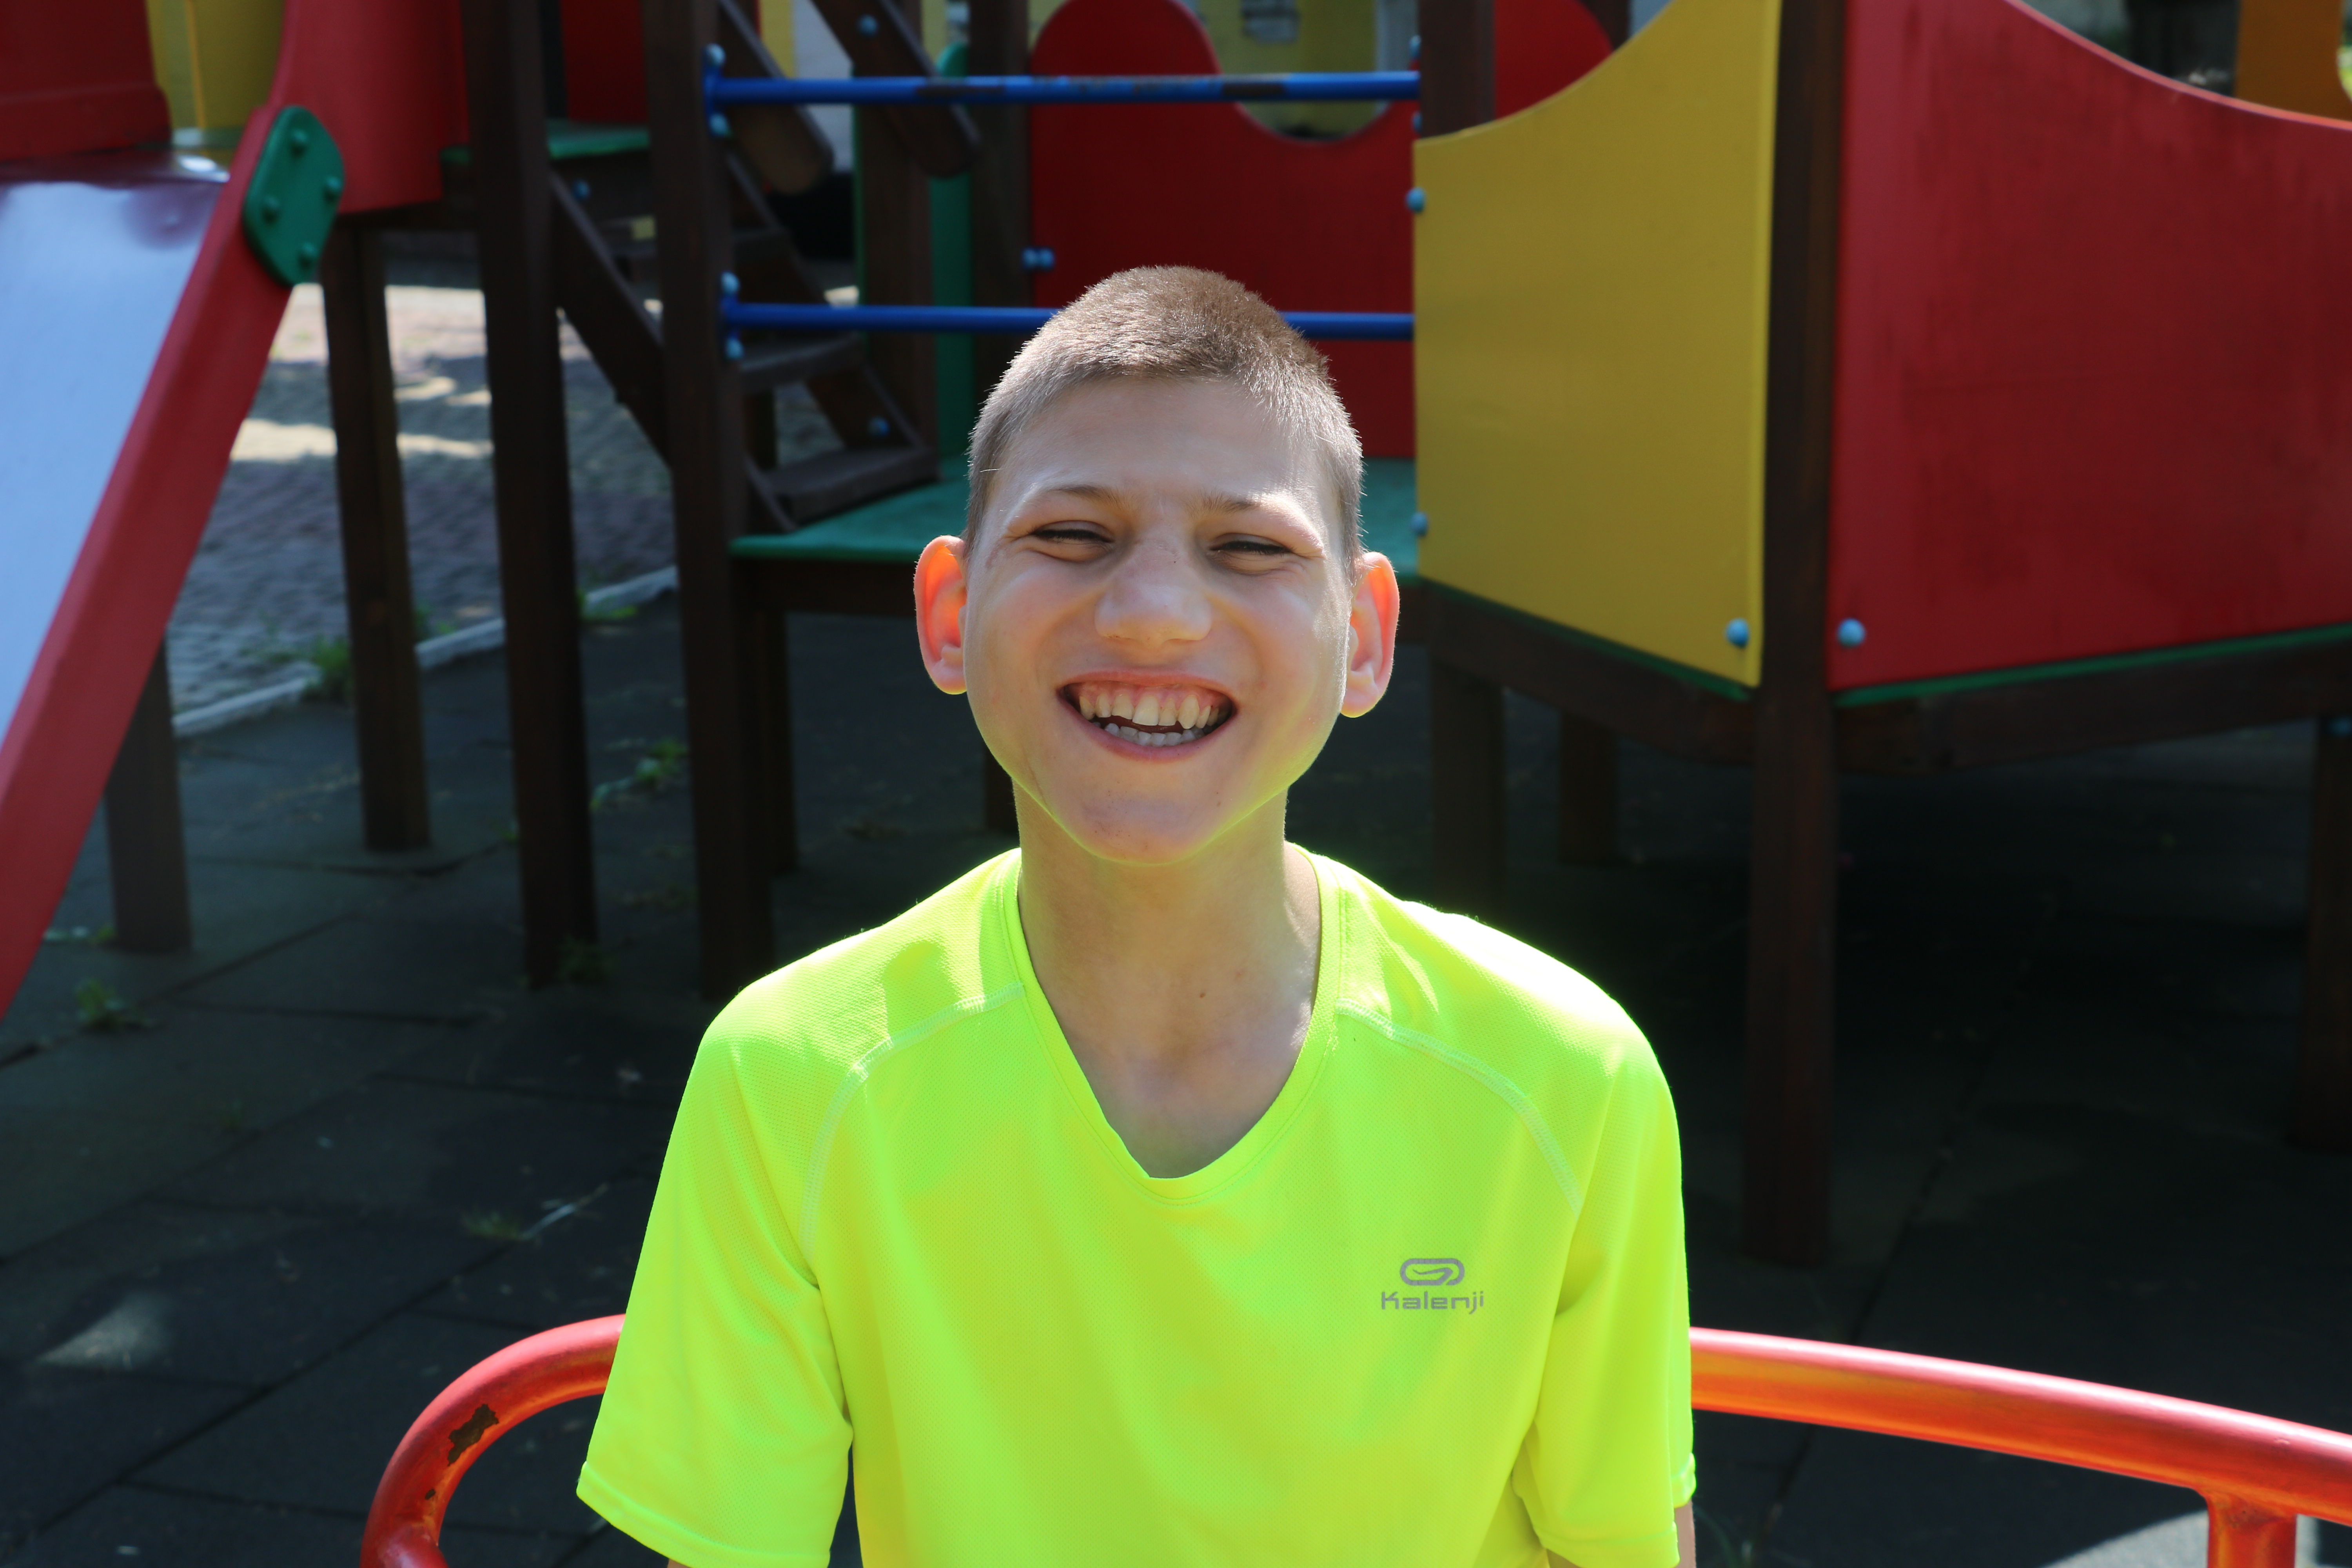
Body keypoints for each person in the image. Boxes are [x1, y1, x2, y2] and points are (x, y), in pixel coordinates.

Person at [579, 267, 1696, 1568]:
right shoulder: (793, 1079)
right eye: (1073, 536)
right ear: (950, 617)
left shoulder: (1563, 1078)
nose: (1156, 614)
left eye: (1251, 548)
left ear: (1363, 636)